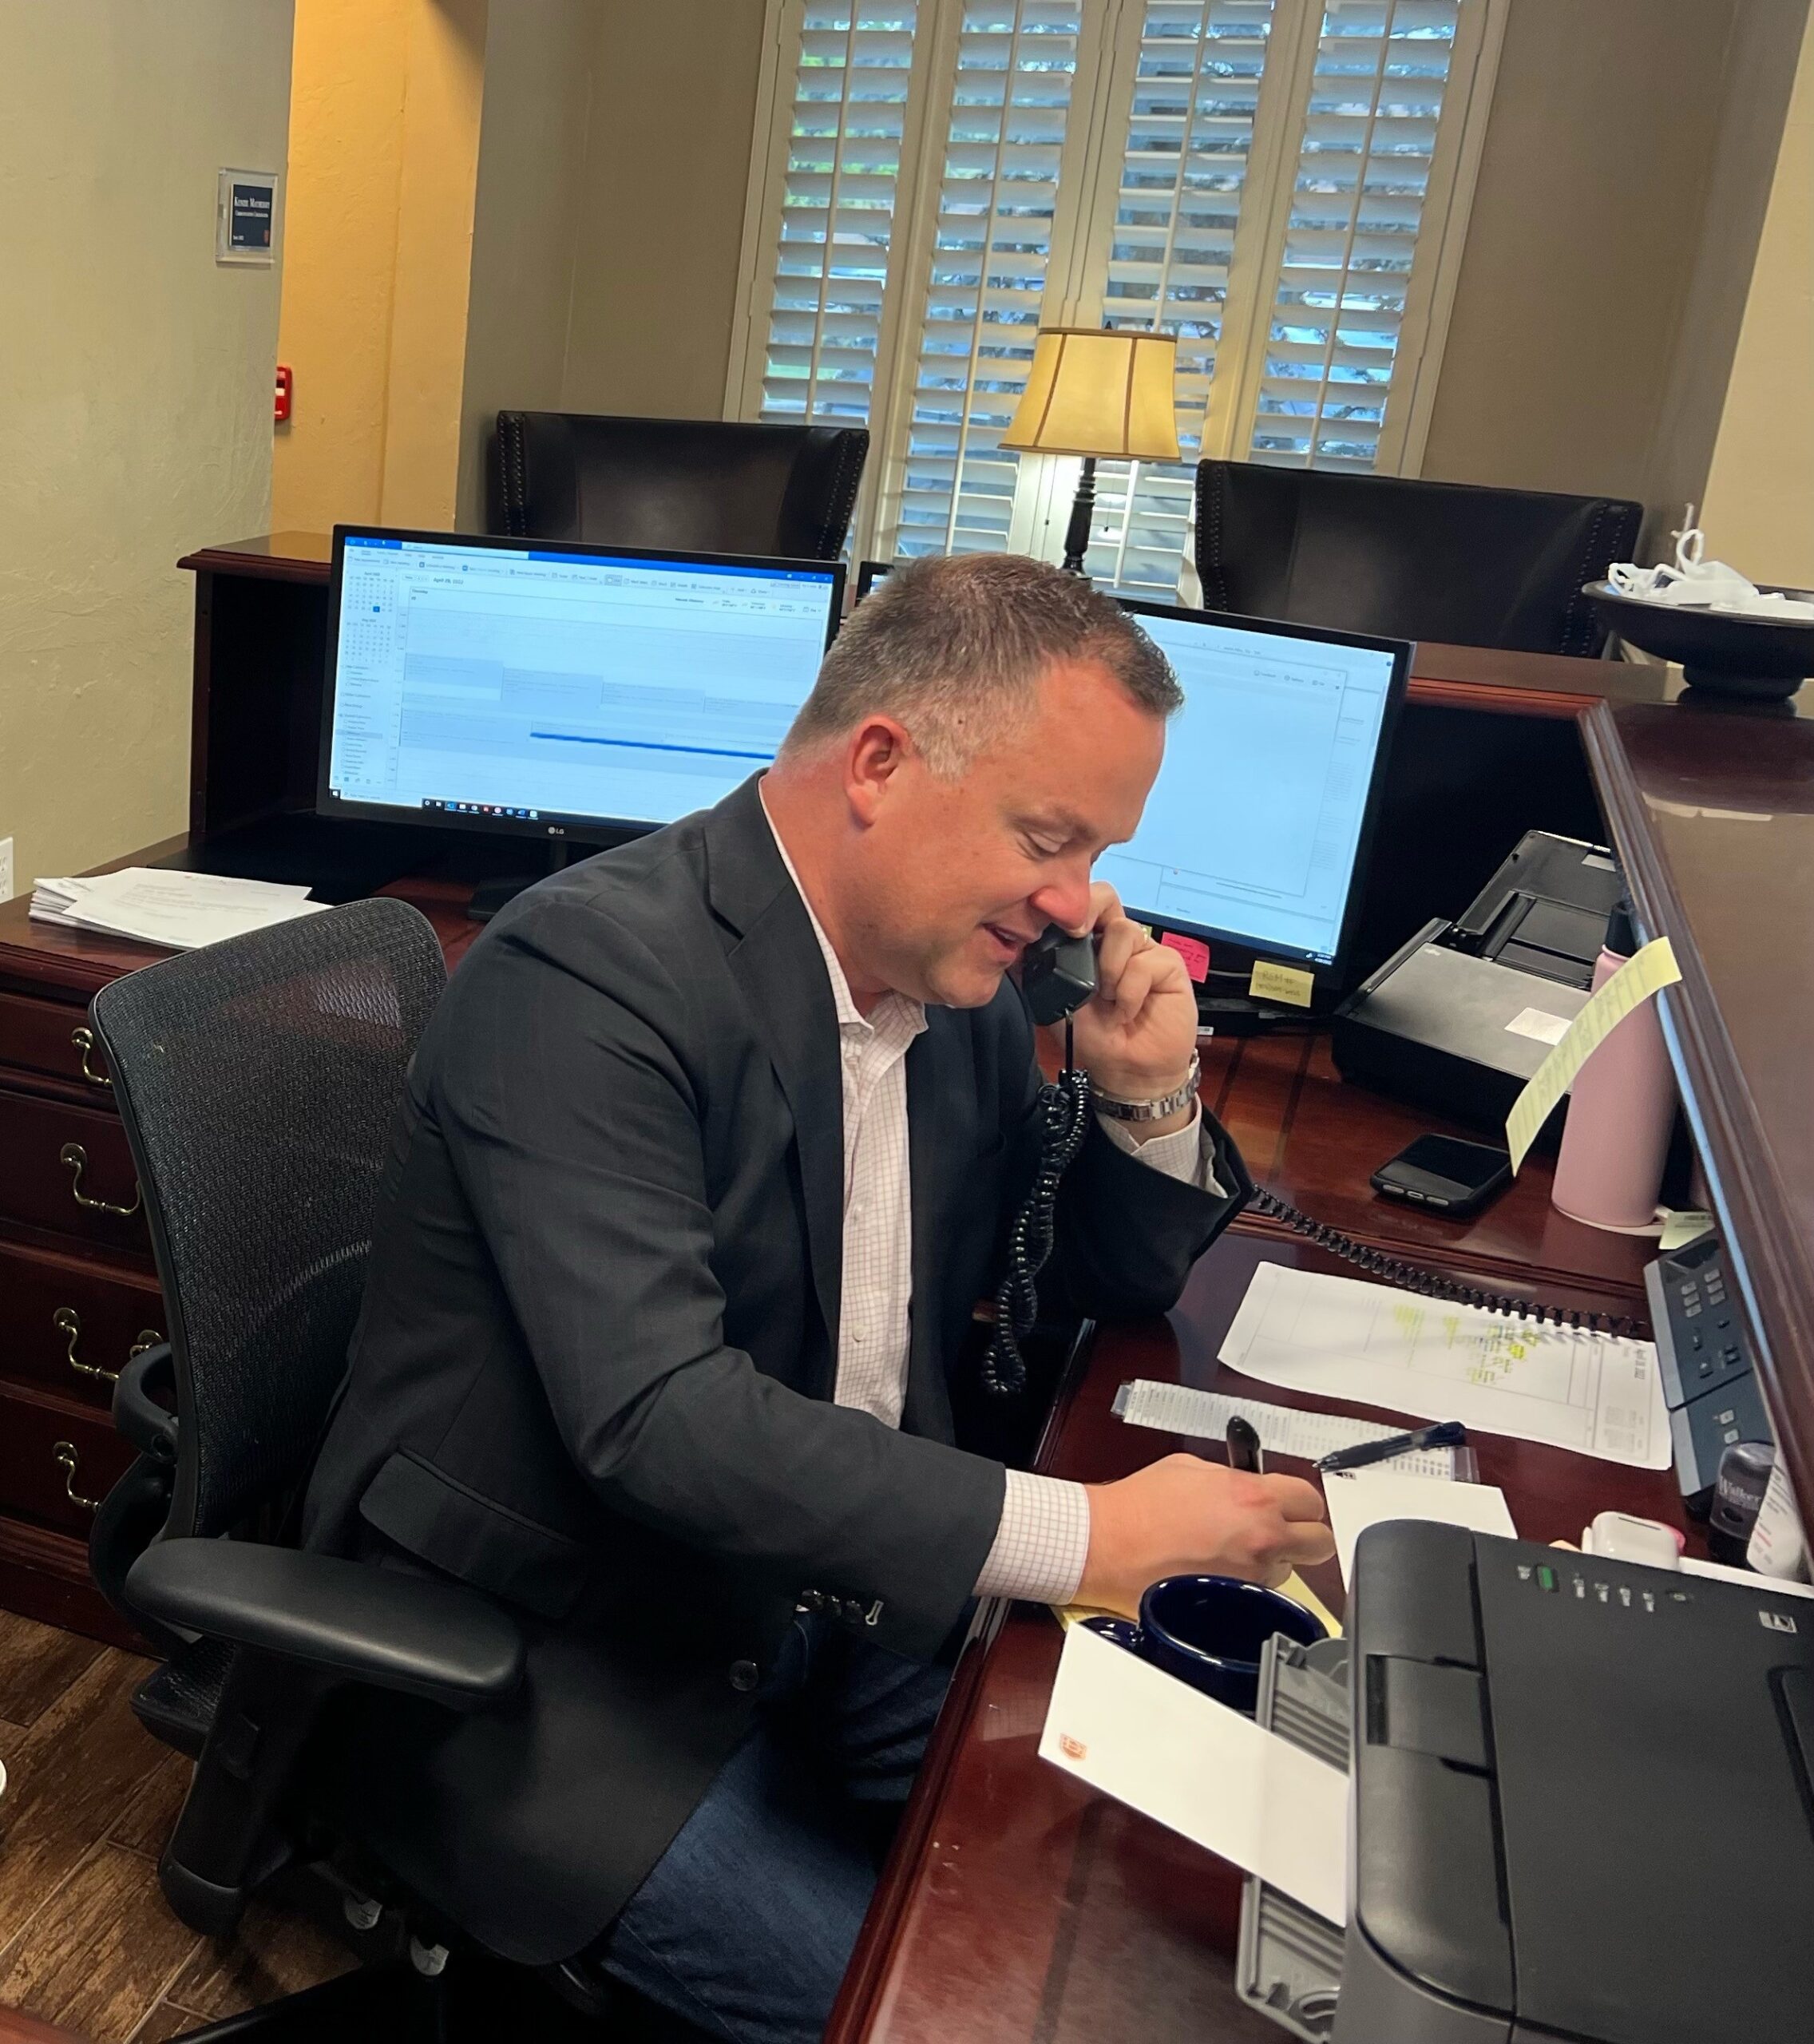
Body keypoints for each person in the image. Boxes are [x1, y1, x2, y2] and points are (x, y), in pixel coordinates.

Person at [302, 554, 1335, 2042]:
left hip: (826, 1593)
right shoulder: (586, 978)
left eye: (1099, 853)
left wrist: (1143, 1097)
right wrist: (1094, 1536)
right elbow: (661, 1420)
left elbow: (1084, 1288)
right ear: (879, 764)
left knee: (1158, 1907)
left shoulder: (952, 981)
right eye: (1049, 838)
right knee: (971, 2021)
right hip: (555, 1657)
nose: (1079, 902)